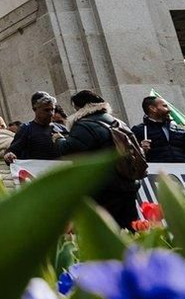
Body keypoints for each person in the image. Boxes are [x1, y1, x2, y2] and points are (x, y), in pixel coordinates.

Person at [58, 90, 140, 229]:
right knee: (130, 227)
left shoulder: (84, 125)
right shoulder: (118, 122)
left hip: (103, 186)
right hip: (128, 183)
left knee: (107, 229)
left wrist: (59, 140)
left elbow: (71, 148)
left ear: (79, 107)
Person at [131, 95, 185, 165]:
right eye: (165, 106)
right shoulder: (138, 130)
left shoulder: (180, 129)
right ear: (153, 108)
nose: (169, 110)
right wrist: (141, 150)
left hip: (184, 171)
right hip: (159, 173)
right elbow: (130, 157)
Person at [6, 93, 66, 163]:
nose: (51, 113)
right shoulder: (26, 129)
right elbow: (12, 151)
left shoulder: (61, 128)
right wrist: (9, 156)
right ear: (35, 109)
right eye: (46, 110)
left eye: (52, 109)